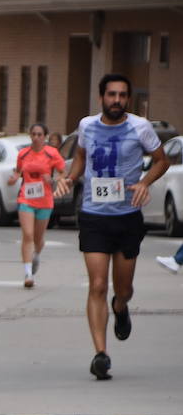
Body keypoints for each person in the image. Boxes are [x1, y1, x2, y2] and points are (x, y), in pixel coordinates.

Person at [55, 73, 168, 380]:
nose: (116, 100)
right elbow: (80, 156)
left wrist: (144, 183)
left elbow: (161, 160)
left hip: (127, 215)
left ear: (127, 99)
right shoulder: (87, 126)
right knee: (97, 285)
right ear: (101, 97)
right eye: (111, 95)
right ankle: (100, 354)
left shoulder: (140, 127)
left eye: (122, 95)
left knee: (123, 289)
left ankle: (120, 307)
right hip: (93, 215)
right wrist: (69, 177)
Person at [11, 123, 64, 287]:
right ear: (30, 136)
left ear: (45, 137)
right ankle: (28, 274)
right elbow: (18, 171)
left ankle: (36, 255)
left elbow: (63, 172)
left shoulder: (52, 153)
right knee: (28, 235)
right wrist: (14, 177)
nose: (36, 138)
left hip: (45, 200)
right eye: (33, 134)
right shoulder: (23, 154)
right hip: (26, 198)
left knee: (38, 238)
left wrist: (54, 180)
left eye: (39, 134)